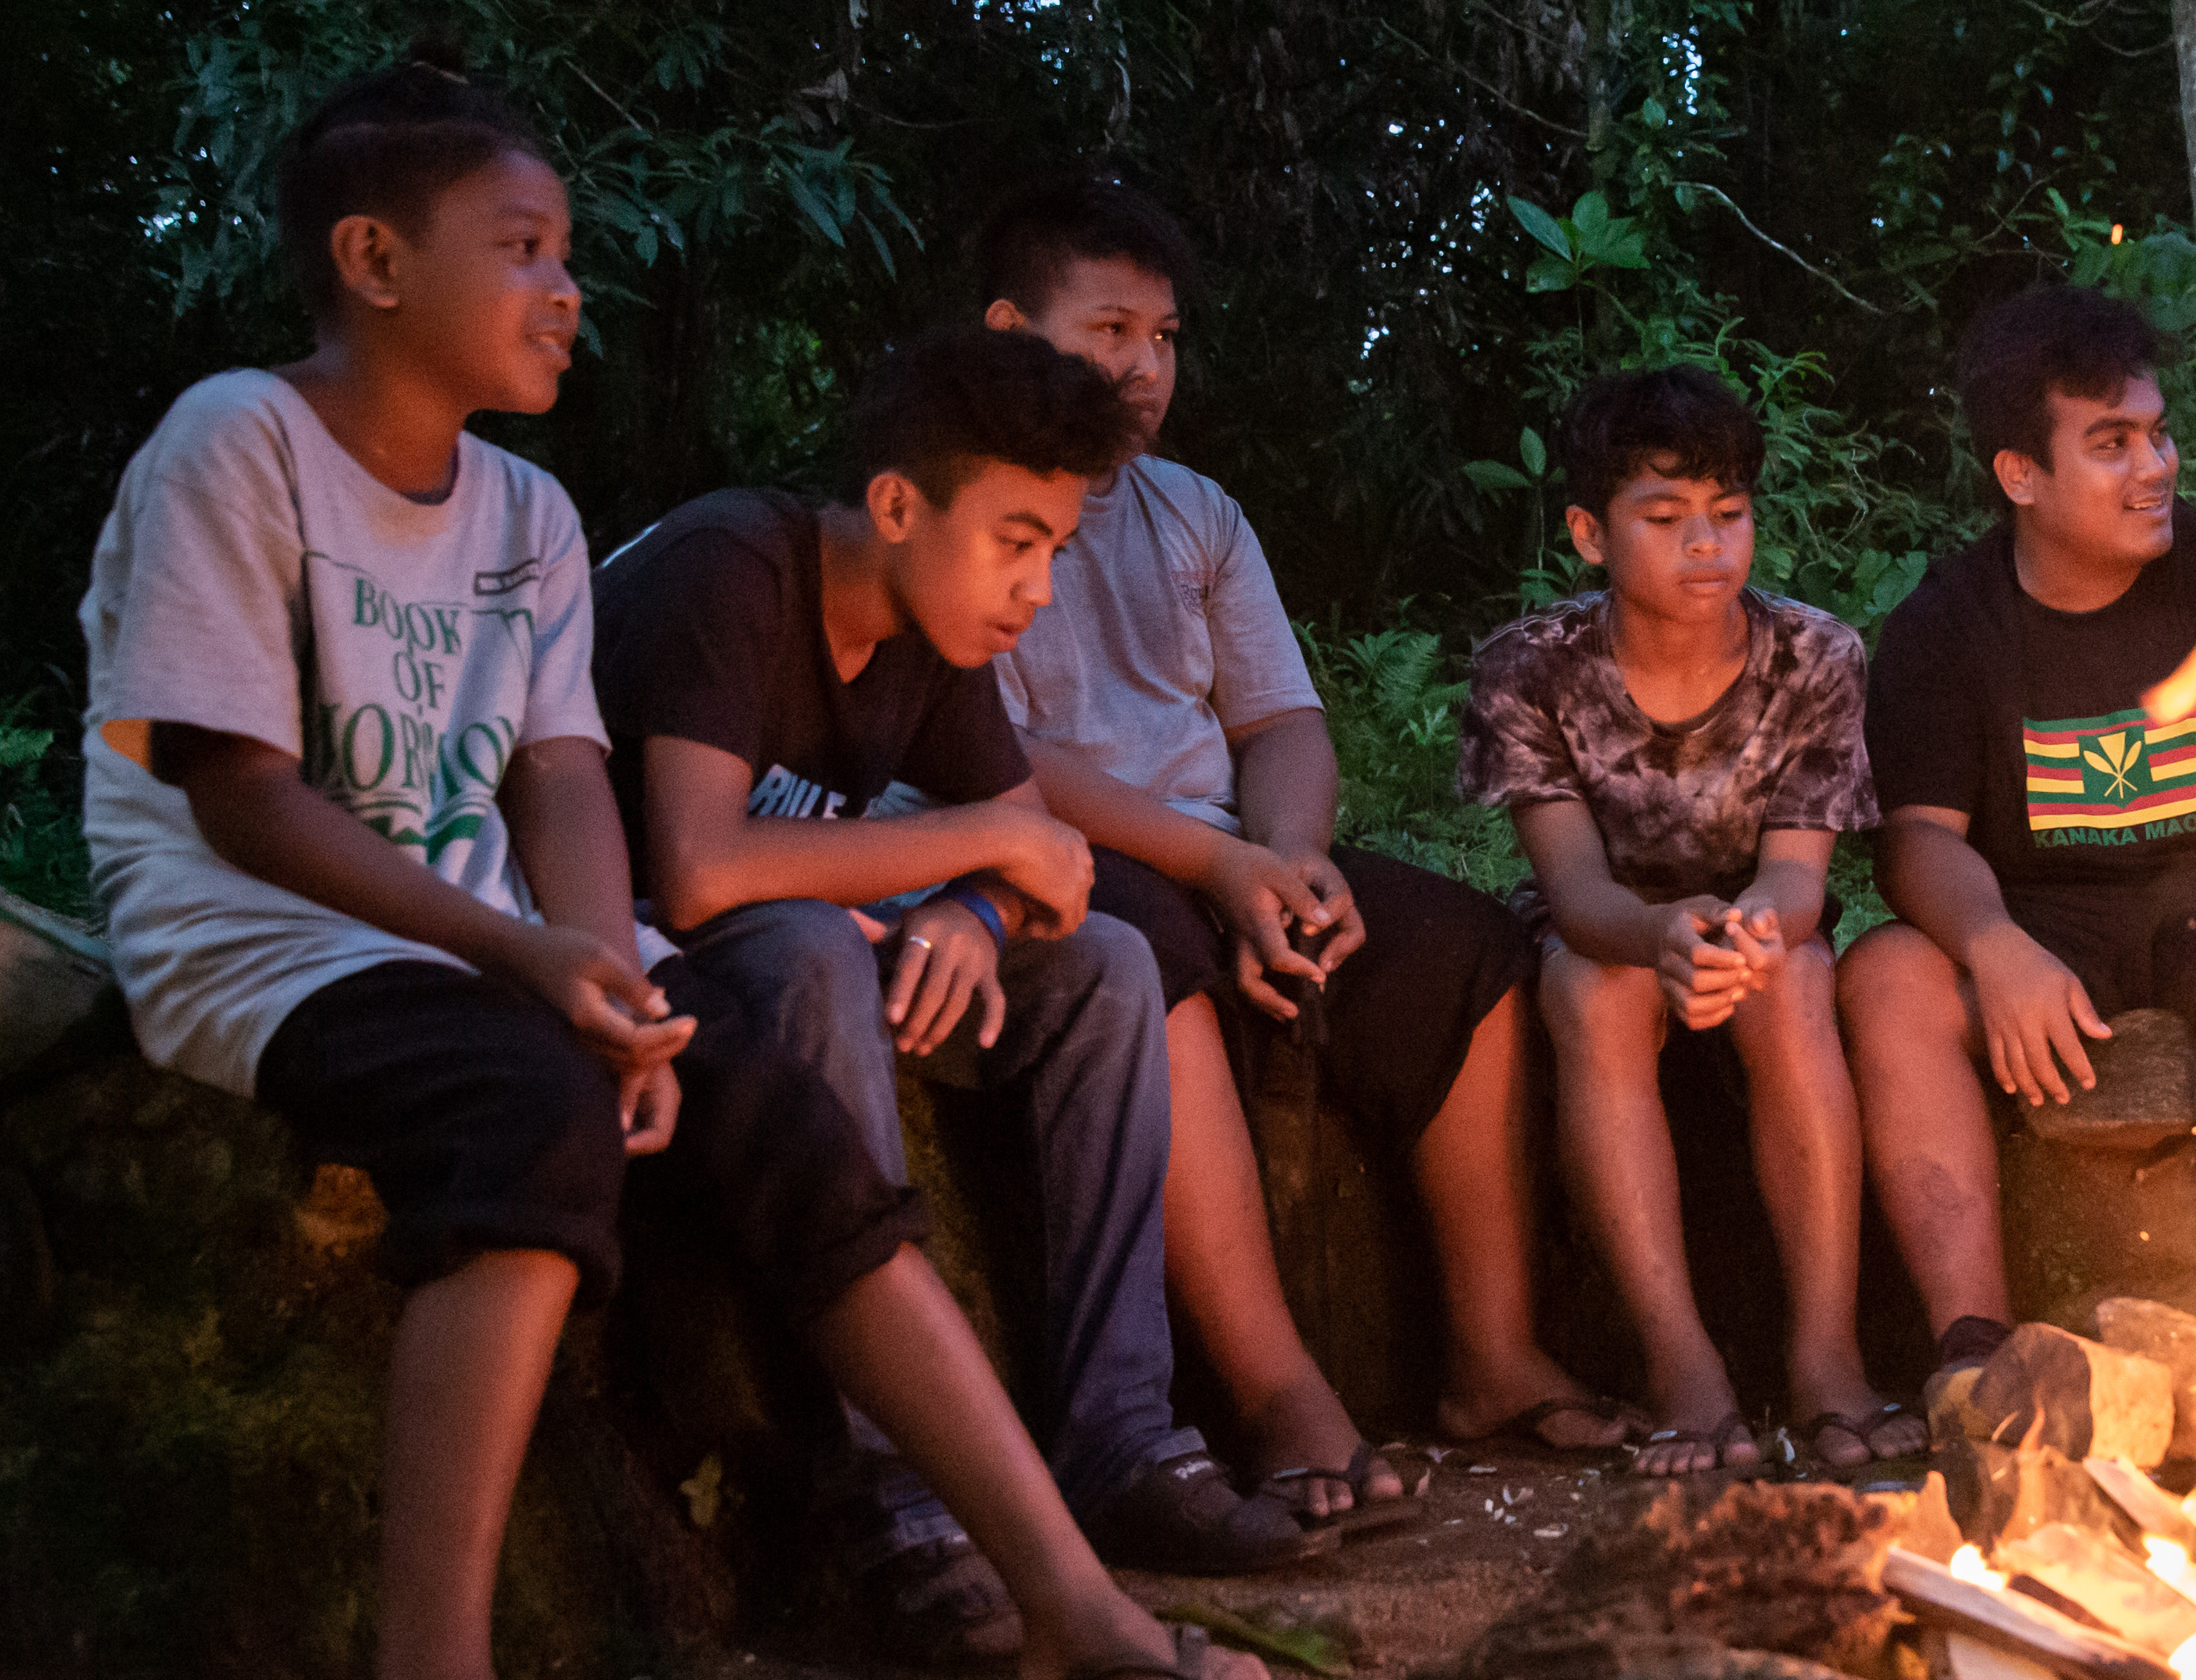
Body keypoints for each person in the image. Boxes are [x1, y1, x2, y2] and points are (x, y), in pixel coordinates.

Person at [75, 57, 1243, 1680]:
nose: (567, 291)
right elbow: (241, 801)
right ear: (373, 261)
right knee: (532, 1110)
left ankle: (1077, 1608)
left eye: (564, 253)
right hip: (270, 944)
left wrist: (590, 955)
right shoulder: (242, 444)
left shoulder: (528, 514)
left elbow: (561, 774)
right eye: (526, 248)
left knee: (787, 1128)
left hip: (490, 935)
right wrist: (541, 969)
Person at [591, 324, 1338, 1641]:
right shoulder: (731, 568)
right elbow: (699, 870)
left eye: (1052, 546)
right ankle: (890, 1490)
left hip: (804, 930)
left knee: (1104, 955)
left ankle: (1119, 1435)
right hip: (633, 946)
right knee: (815, 947)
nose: (1037, 588)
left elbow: (1041, 864)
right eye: (1017, 540)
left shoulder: (935, 639)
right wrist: (987, 848)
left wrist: (977, 913)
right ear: (895, 505)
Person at [971, 176, 1628, 1524]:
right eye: (1107, 331)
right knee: (1153, 961)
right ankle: (1280, 1393)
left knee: (1466, 951)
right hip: (1060, 858)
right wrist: (1217, 876)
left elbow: (1283, 720)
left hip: (1222, 849)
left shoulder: (1194, 512)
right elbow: (995, 757)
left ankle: (1491, 1355)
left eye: (1163, 339)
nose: (1144, 369)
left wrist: (1286, 859)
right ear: (1006, 331)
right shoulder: (965, 505)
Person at [1838, 286, 2196, 1365]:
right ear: (2021, 475)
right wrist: (1994, 949)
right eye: (2112, 444)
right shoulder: (1947, 627)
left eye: (2158, 431)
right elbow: (1919, 841)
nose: (2158, 465)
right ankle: (1975, 1349)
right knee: (1887, 976)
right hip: (2046, 934)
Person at [1459, 365, 1918, 1477]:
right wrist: (1664, 937)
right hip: (1610, 935)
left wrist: (1749, 929)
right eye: (1664, 520)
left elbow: (1800, 878)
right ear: (1589, 533)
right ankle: (1683, 1367)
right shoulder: (1530, 671)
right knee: (1590, 988)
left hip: (1762, 930)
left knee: (1798, 979)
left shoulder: (1815, 656)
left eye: (1729, 516)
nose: (1706, 546)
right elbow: (1573, 890)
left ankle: (1826, 1357)